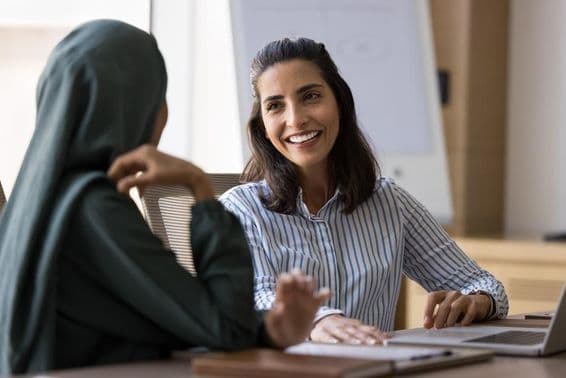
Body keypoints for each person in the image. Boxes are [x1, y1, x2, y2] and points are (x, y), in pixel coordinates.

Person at [0, 21, 328, 375]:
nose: (164, 111)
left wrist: (269, 328)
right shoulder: (94, 208)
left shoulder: (38, 207)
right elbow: (224, 326)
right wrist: (198, 185)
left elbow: (173, 320)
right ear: (133, 104)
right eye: (159, 95)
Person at [220, 37, 509, 345]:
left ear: (340, 104)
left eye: (311, 97)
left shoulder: (390, 202)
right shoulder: (240, 209)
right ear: (263, 124)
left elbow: (484, 285)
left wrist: (478, 301)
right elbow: (257, 294)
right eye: (275, 106)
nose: (295, 119)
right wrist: (318, 320)